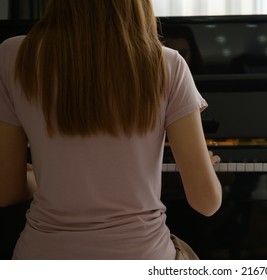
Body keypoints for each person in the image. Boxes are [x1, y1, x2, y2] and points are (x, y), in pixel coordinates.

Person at [0, 0, 222, 260]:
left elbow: (6, 190)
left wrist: (48, 178)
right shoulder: (168, 64)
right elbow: (206, 203)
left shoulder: (12, 54)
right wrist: (206, 166)